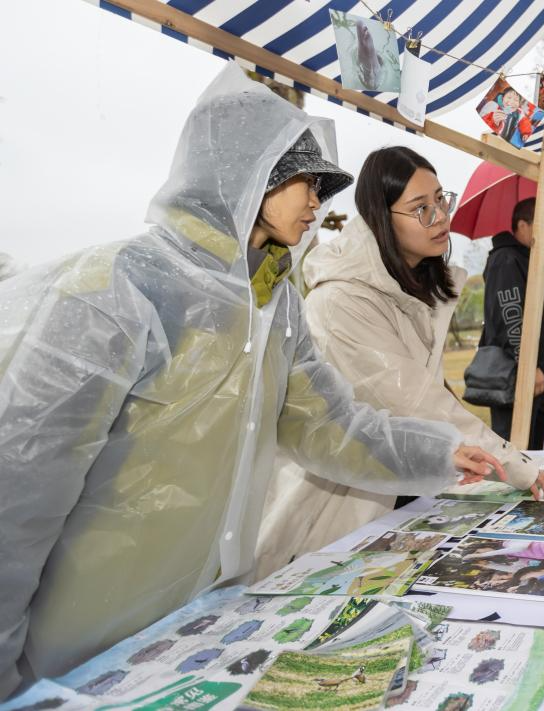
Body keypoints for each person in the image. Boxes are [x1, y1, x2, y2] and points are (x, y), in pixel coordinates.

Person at [0, 65, 504, 698]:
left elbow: (330, 425)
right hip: (84, 645)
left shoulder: (274, 300)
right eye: (304, 181)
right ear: (247, 172)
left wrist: (440, 452)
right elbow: (21, 488)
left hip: (202, 625)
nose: (317, 202)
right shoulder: (119, 288)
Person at [255, 147, 544, 577]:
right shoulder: (342, 300)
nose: (440, 217)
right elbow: (415, 401)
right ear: (381, 216)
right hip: (336, 509)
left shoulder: (412, 286)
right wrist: (512, 464)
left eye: (440, 200)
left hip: (401, 493)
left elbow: (429, 390)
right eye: (420, 208)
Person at [480, 197, 544, 450]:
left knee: (536, 446)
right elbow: (509, 319)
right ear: (522, 225)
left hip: (539, 373)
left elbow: (543, 317)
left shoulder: (530, 260)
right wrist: (528, 368)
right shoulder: (506, 260)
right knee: (516, 447)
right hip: (516, 374)